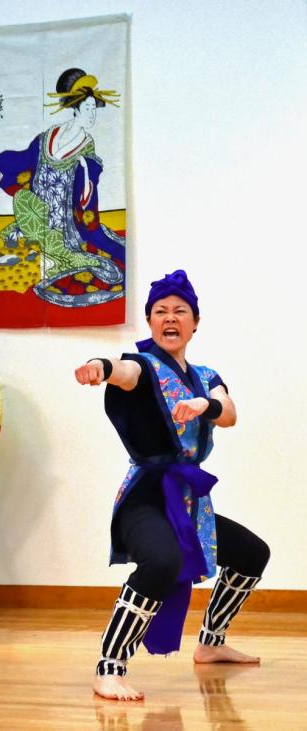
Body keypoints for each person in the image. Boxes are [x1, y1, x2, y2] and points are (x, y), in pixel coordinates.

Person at [75, 270, 270, 700]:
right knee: (160, 562)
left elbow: (230, 412)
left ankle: (210, 643)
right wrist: (100, 367)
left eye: (179, 311)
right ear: (149, 322)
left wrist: (206, 404)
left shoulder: (205, 374)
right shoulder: (143, 366)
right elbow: (123, 372)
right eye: (160, 311)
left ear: (194, 322)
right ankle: (110, 666)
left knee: (252, 553)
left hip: (188, 502)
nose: (170, 317)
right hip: (145, 497)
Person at [0, 67, 125, 307]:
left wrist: (86, 168)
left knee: (73, 260)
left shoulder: (86, 144)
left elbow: (90, 177)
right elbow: (26, 160)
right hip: (38, 217)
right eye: (89, 108)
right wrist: (4, 170)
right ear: (75, 107)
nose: (92, 115)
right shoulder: (47, 136)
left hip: (65, 226)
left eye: (94, 109)